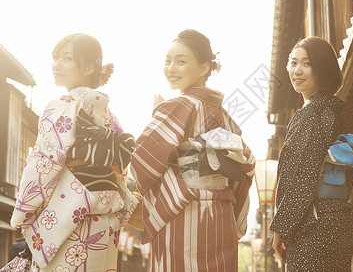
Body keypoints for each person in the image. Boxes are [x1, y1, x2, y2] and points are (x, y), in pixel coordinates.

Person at [10, 33, 138, 271]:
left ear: (90, 66)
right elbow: (120, 168)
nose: (57, 65)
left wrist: (23, 213)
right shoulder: (110, 116)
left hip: (69, 217)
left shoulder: (62, 104)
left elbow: (44, 162)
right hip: (105, 220)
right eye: (56, 58)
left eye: (67, 58)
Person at [130, 29, 255, 271]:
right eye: (168, 61)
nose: (171, 68)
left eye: (181, 61)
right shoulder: (222, 114)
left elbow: (142, 159)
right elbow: (246, 164)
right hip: (221, 215)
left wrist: (157, 116)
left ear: (204, 68)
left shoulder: (179, 105)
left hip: (183, 212)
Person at [270, 37, 353, 271]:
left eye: (306, 64)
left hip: (314, 228)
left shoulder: (313, 114)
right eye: (293, 62)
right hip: (334, 222)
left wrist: (281, 227)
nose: (297, 70)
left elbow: (303, 176)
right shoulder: (330, 113)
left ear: (322, 68)